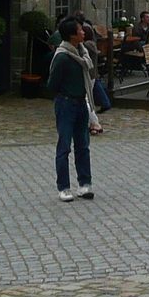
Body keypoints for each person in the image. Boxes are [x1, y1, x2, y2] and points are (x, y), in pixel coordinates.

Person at [46, 18, 96, 203]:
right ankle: (64, 187)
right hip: (66, 104)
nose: (84, 32)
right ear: (72, 35)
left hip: (81, 103)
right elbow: (52, 84)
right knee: (64, 147)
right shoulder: (62, 57)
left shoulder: (83, 53)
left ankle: (85, 184)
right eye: (80, 30)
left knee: (83, 145)